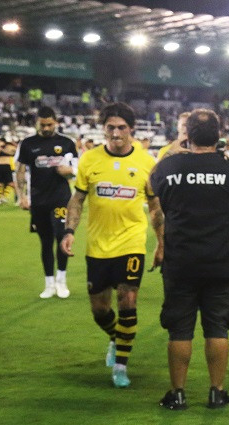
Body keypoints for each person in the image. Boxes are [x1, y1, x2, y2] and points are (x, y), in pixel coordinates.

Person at [61, 102, 163, 389]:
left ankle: (120, 365)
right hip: (98, 246)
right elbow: (77, 200)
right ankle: (116, 338)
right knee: (99, 310)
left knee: (128, 300)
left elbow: (155, 207)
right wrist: (69, 231)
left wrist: (161, 243)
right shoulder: (89, 160)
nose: (116, 133)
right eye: (110, 128)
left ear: (131, 129)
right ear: (103, 129)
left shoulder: (146, 162)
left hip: (132, 242)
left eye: (121, 127)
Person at [150, 109, 229, 410]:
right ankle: (217, 392)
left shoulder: (168, 168)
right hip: (220, 261)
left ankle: (177, 393)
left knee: (179, 329)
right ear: (218, 135)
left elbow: (159, 201)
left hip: (180, 261)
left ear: (187, 135)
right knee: (218, 328)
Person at [15, 106, 78, 299]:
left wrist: (70, 171)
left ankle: (61, 280)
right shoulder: (28, 144)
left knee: (61, 237)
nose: (46, 128)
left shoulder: (67, 143)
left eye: (49, 124)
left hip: (61, 199)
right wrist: (21, 196)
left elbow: (78, 169)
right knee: (45, 241)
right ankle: (49, 283)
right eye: (42, 125)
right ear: (37, 123)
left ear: (55, 122)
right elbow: (20, 171)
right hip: (38, 201)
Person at [0, 136, 17, 206]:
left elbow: (15, 151)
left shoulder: (10, 147)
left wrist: (6, 148)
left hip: (7, 166)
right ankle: (0, 199)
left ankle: (9, 197)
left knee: (11, 183)